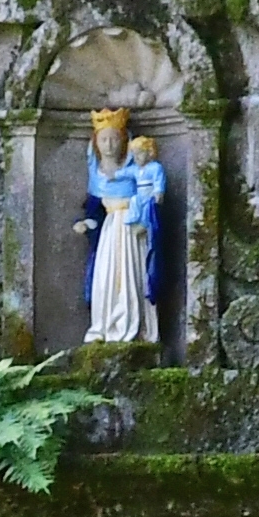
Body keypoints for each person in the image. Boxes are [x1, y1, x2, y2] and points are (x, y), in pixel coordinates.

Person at [80, 104, 168, 354]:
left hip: (131, 227)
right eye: (104, 140)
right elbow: (93, 209)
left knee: (133, 275)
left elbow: (150, 194)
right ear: (96, 143)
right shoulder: (96, 173)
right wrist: (87, 222)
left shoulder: (137, 171)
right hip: (109, 229)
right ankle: (105, 325)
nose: (108, 145)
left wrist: (146, 214)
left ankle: (134, 325)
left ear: (124, 142)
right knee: (105, 277)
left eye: (114, 139)